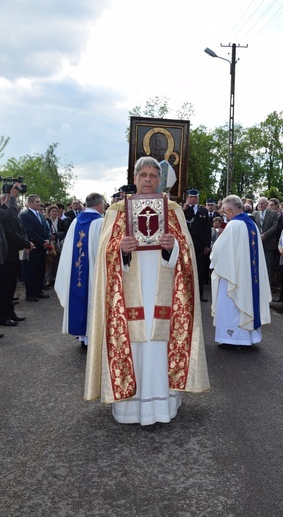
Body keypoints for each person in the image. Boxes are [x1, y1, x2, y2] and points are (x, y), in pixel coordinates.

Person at [84, 157, 209, 425]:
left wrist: (172, 245)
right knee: (133, 340)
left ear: (159, 180)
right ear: (135, 177)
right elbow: (103, 255)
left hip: (164, 291)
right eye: (144, 175)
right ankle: (130, 408)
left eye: (154, 175)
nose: (149, 180)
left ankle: (163, 406)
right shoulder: (116, 211)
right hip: (129, 290)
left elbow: (187, 253)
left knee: (160, 342)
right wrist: (120, 248)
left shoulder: (173, 210)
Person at [210, 195, 271, 348]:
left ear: (230, 210)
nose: (224, 213)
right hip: (249, 277)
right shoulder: (251, 224)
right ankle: (247, 339)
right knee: (247, 302)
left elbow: (218, 251)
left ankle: (233, 339)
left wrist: (213, 258)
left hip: (233, 276)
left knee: (232, 305)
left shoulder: (234, 225)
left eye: (224, 210)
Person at [55, 193, 105, 349]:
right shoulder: (102, 222)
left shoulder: (76, 221)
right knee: (93, 301)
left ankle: (83, 339)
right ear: (99, 205)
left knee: (81, 299)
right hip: (94, 274)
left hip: (76, 274)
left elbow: (68, 251)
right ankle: (93, 339)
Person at [0, 183, 34, 327]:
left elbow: (19, 229)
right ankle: (3, 316)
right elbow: (11, 232)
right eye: (7, 198)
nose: (13, 201)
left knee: (11, 286)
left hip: (13, 255)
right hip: (5, 257)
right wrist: (12, 196)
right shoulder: (6, 214)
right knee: (5, 287)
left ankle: (9, 312)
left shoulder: (7, 212)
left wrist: (26, 243)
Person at [19, 194, 51, 302]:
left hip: (43, 247)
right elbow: (29, 231)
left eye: (39, 201)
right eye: (37, 202)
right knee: (31, 270)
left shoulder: (40, 215)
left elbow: (47, 229)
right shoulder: (25, 215)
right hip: (33, 247)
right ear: (30, 203)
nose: (39, 203)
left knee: (41, 269)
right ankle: (30, 293)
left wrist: (48, 240)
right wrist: (42, 242)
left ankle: (38, 290)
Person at [183, 188, 211, 301]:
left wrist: (207, 245)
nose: (193, 199)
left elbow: (207, 229)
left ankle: (200, 293)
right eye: (191, 197)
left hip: (199, 246)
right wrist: (183, 209)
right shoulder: (183, 209)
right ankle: (185, 293)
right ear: (187, 198)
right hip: (186, 244)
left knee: (199, 270)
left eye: (195, 197)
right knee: (185, 269)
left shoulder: (203, 211)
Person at [253, 197, 279, 290]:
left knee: (269, 264)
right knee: (258, 264)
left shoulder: (273, 213)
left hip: (269, 243)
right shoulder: (254, 214)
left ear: (267, 204)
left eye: (262, 204)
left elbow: (275, 226)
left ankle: (268, 286)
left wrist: (265, 235)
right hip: (257, 243)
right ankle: (259, 284)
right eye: (259, 204)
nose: (260, 205)